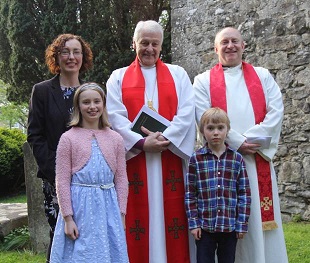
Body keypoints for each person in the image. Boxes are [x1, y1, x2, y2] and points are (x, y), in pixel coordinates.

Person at [193, 27, 288, 263]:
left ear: (244, 46)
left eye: (235, 41)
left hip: (257, 159)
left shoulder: (263, 76)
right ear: (216, 49)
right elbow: (203, 115)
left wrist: (250, 141)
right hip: (221, 162)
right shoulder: (203, 81)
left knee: (257, 220)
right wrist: (236, 142)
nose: (230, 46)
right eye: (224, 42)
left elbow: (276, 111)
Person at [106, 20, 196, 263]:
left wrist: (166, 137)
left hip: (170, 158)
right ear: (134, 43)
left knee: (173, 221)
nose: (149, 48)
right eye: (144, 43)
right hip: (136, 161)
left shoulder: (178, 74)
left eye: (154, 43)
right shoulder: (118, 77)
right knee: (139, 224)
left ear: (161, 46)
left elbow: (188, 111)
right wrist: (141, 143)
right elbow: (114, 115)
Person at [27, 33, 93, 262]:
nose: (71, 57)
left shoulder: (91, 92)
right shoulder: (43, 91)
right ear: (56, 57)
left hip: (87, 180)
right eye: (65, 52)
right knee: (60, 235)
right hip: (54, 179)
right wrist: (57, 172)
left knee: (85, 236)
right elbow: (35, 135)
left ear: (83, 57)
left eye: (76, 52)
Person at [50, 82, 129, 262]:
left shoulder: (115, 138)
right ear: (78, 106)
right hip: (80, 207)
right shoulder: (68, 139)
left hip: (109, 206)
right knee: (82, 253)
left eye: (96, 101)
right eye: (86, 102)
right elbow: (62, 181)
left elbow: (121, 179)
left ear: (103, 104)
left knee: (109, 250)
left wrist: (121, 214)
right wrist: (68, 218)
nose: (92, 107)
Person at [185, 107, 251, 263]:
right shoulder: (196, 159)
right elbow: (190, 194)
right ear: (202, 131)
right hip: (205, 228)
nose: (216, 132)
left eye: (220, 128)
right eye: (210, 128)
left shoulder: (237, 159)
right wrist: (194, 224)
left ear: (227, 130)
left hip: (229, 227)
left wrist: (241, 223)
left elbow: (244, 194)